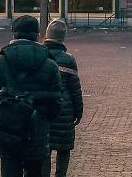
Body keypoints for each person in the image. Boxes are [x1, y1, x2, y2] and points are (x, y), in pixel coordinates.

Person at [0, 15, 62, 177]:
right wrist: (44, 121)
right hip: (37, 134)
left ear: (14, 34)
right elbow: (56, 103)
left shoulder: (0, 62)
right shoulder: (50, 64)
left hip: (8, 134)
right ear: (37, 35)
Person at [42, 20, 83, 177]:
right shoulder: (68, 59)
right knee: (64, 148)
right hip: (65, 111)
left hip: (44, 110)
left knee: (45, 149)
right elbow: (75, 89)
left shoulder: (40, 55)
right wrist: (78, 112)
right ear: (63, 38)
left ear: (47, 35)